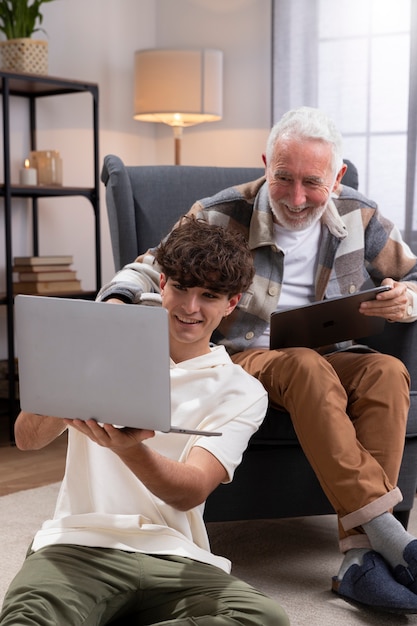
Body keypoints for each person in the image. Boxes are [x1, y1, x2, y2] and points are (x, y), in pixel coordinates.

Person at [97, 106, 417, 614]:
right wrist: (116, 302)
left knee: (386, 371)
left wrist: (406, 298)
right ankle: (392, 537)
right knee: (303, 366)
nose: (295, 197)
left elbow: (413, 274)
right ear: (266, 162)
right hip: (248, 358)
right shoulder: (222, 213)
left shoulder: (361, 215)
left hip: (334, 354)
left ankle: (360, 560)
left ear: (337, 177)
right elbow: (150, 267)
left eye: (312, 183)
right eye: (282, 178)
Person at [0, 217, 289, 626]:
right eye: (182, 289)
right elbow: (26, 439)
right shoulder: (101, 348)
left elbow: (189, 492)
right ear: (162, 285)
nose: (191, 307)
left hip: (174, 553)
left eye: (209, 295)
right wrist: (70, 379)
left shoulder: (243, 391)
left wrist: (129, 448)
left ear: (232, 303)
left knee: (262, 617)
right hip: (79, 542)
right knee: (26, 620)